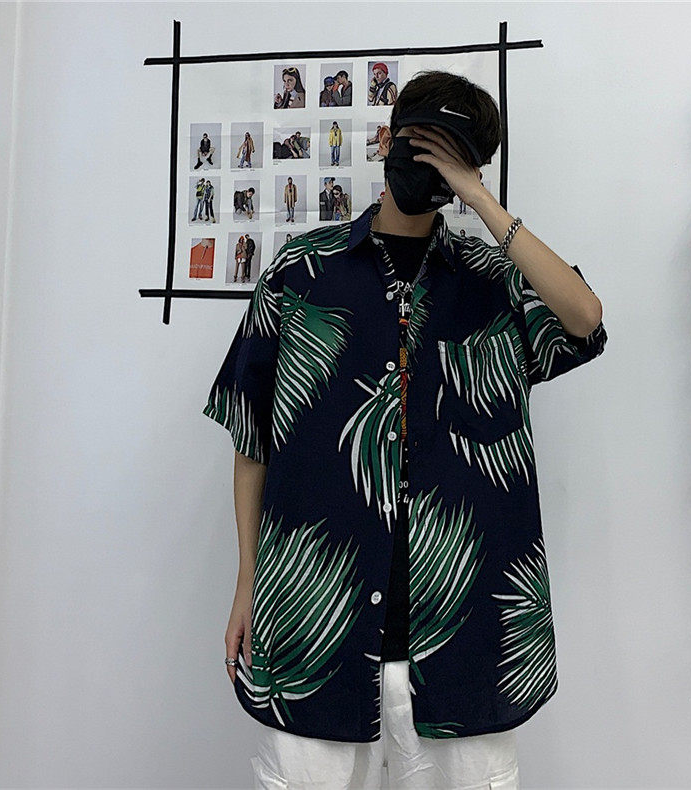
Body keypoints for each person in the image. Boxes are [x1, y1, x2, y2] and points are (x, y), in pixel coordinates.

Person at [202, 69, 608, 789]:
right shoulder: (302, 274)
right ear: (389, 138)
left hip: (466, 631)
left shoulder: (492, 279)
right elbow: (251, 439)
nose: (431, 164)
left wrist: (482, 201)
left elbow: (584, 318)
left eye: (453, 155)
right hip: (313, 626)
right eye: (421, 142)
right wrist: (247, 582)